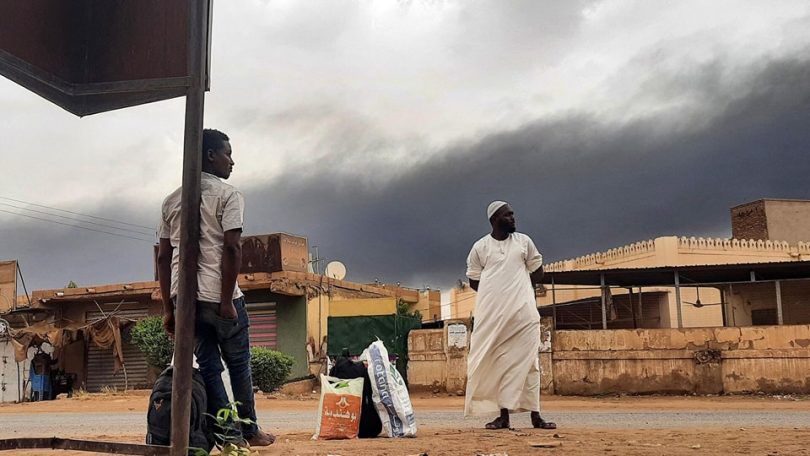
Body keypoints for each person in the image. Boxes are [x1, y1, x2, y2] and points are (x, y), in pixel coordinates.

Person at [157, 128, 274, 447]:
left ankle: (229, 436)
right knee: (238, 364)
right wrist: (225, 302)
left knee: (209, 365)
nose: (232, 161)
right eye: (228, 153)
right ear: (211, 155)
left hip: (185, 299)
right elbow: (233, 248)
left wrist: (169, 309)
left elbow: (164, 256)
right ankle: (249, 431)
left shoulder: (171, 200)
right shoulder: (228, 195)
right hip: (219, 294)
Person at [464, 201, 556, 430]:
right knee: (498, 363)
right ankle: (503, 416)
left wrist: (519, 289)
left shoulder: (524, 242)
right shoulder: (480, 247)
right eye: (508, 215)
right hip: (493, 317)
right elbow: (474, 279)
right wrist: (497, 293)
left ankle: (536, 416)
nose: (513, 218)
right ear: (495, 219)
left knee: (530, 364)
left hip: (524, 314)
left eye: (513, 214)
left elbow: (538, 271)